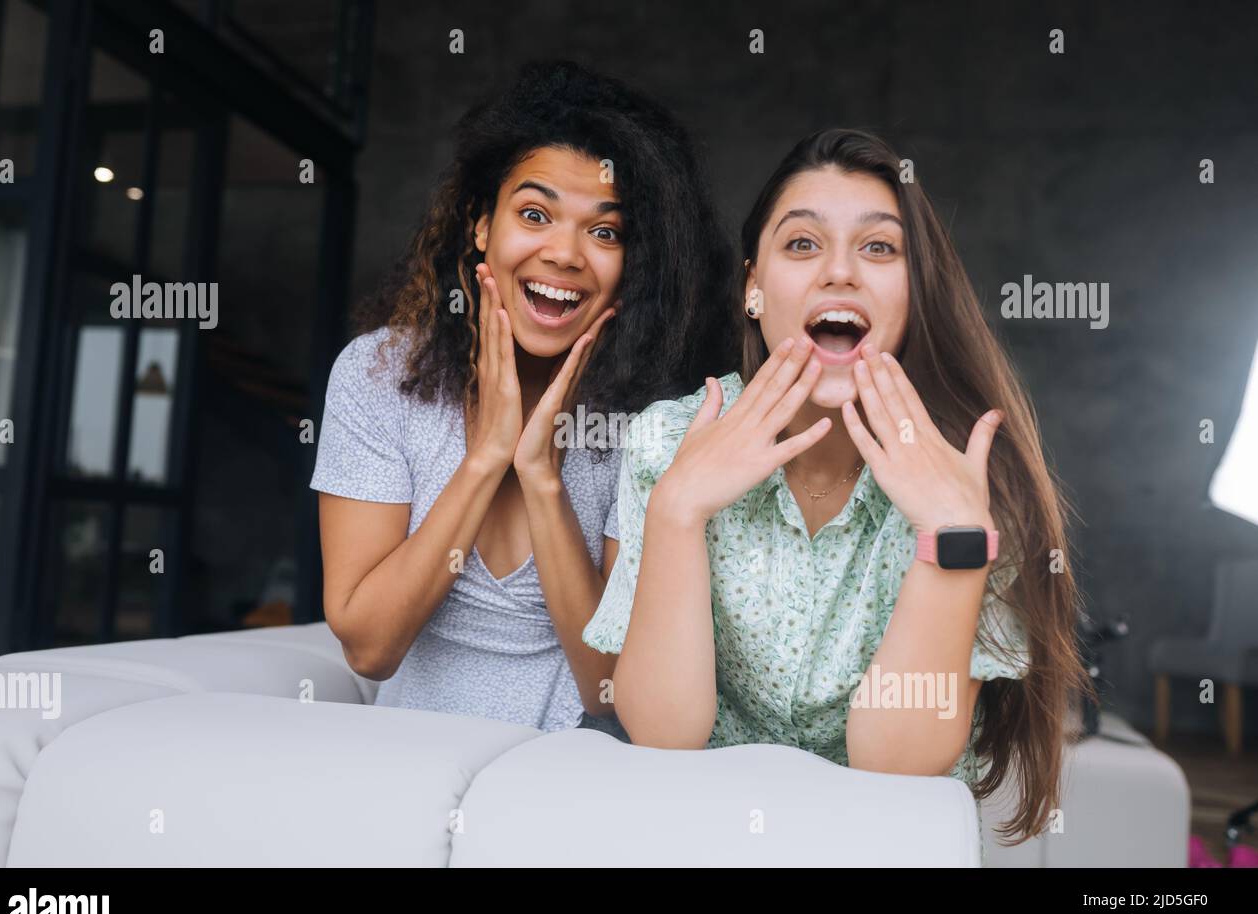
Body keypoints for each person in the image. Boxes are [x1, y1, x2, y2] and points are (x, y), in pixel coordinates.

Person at [583, 128, 1094, 847]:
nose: (840, 273)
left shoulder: (974, 478)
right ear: (753, 288)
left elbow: (897, 761)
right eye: (801, 245)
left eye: (879, 248)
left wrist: (953, 536)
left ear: (915, 293)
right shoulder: (669, 440)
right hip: (701, 837)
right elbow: (663, 732)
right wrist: (677, 509)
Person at [310, 60, 733, 735]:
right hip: (402, 772)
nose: (565, 253)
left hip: (571, 780)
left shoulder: (654, 426)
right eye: (535, 214)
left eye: (605, 231)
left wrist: (540, 476)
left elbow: (606, 688)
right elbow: (370, 647)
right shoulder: (378, 376)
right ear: (481, 225)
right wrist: (486, 460)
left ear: (635, 266)